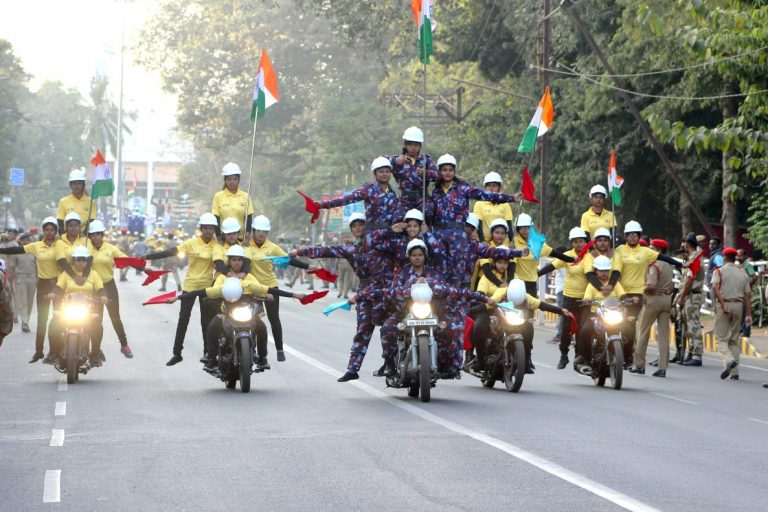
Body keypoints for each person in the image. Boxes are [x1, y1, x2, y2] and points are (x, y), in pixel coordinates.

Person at [167, 246, 304, 371]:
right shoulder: (222, 279)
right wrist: (178, 298)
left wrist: (293, 294)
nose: (237, 263)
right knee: (212, 327)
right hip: (226, 314)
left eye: (239, 260)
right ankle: (211, 359)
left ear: (243, 262)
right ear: (229, 262)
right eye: (234, 260)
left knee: (261, 327)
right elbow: (204, 292)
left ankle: (262, 359)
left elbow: (265, 289)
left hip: (247, 313)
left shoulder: (249, 278)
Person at [379, 239, 495, 378]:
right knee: (386, 329)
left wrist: (483, 298)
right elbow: (392, 292)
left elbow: (452, 291)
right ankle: (389, 364)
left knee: (451, 329)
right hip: (405, 313)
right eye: (414, 254)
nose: (417, 257)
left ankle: (447, 364)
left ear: (424, 256)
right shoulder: (402, 274)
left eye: (420, 254)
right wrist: (410, 285)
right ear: (409, 257)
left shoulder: (433, 274)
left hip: (432, 313)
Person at [291, 213, 385, 382]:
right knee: (362, 331)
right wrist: (300, 251)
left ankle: (390, 363)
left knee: (389, 330)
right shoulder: (348, 248)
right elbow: (324, 250)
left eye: (361, 224)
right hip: (364, 290)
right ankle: (353, 369)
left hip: (384, 289)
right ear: (351, 229)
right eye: (354, 225)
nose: (358, 228)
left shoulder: (378, 244)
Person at [430, 154, 520, 286]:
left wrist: (511, 198)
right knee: (440, 272)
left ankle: (459, 303)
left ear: (454, 171)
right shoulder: (435, 192)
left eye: (450, 170)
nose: (447, 173)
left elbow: (486, 195)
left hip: (458, 238)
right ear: (439, 172)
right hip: (438, 237)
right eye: (444, 170)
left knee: (458, 273)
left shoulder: (463, 189)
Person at [145, 213, 219, 366]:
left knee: (206, 322)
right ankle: (177, 353)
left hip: (207, 287)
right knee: (183, 320)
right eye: (205, 228)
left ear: (214, 229)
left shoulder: (217, 246)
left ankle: (208, 354)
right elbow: (172, 251)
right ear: (201, 229)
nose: (207, 231)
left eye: (210, 228)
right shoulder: (192, 243)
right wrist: (149, 256)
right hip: (190, 285)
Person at [605, 220, 682, 366]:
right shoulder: (619, 250)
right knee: (609, 322)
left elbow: (663, 257)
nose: (633, 237)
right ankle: (610, 349)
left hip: (636, 296)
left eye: (636, 234)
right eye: (630, 235)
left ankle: (628, 357)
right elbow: (611, 265)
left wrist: (681, 264)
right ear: (626, 236)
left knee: (630, 327)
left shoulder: (646, 252)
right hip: (618, 292)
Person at [248, 215, 312, 362]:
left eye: (264, 231)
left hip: (271, 287)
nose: (261, 234)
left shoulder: (272, 247)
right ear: (253, 230)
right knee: (250, 320)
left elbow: (288, 260)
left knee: (273, 318)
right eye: (258, 230)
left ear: (268, 233)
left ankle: (279, 349)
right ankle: (251, 350)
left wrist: (308, 266)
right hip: (252, 287)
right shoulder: (245, 244)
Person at [0, 217, 62, 362]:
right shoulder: (36, 246)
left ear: (56, 231)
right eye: (46, 229)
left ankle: (55, 351)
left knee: (59, 320)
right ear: (43, 231)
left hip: (59, 286)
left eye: (52, 230)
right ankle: (39, 351)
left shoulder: (61, 245)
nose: (49, 232)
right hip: (43, 286)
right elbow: (17, 249)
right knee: (42, 321)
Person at [480, 278, 570, 375]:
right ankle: (482, 358)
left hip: (517, 320)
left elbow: (542, 305)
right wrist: (471, 310)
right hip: (501, 320)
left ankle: (526, 359)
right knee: (488, 328)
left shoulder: (527, 297)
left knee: (529, 328)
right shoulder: (501, 293)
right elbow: (488, 303)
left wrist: (560, 311)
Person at [45, 246, 108, 368]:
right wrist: (53, 293)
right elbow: (58, 287)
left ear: (87, 261)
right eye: (78, 259)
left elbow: (101, 289)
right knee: (54, 324)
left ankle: (95, 354)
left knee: (97, 326)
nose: (80, 262)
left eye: (83, 260)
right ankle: (53, 352)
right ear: (73, 260)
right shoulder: (66, 274)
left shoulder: (93, 274)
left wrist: (103, 297)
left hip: (87, 309)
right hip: (68, 308)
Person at [86, 220, 140, 360]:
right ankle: (95, 350)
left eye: (98, 234)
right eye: (93, 234)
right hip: (92, 288)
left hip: (109, 286)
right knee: (95, 321)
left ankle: (124, 344)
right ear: (90, 235)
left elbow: (126, 259)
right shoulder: (85, 247)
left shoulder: (111, 248)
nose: (96, 237)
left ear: (102, 234)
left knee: (115, 317)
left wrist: (142, 266)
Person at [537, 227, 590, 369]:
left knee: (582, 330)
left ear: (585, 242)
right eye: (576, 242)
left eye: (581, 241)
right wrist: (535, 275)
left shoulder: (590, 256)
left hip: (586, 299)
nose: (579, 244)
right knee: (567, 328)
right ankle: (564, 355)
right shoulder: (567, 256)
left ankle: (580, 357)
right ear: (572, 243)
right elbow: (551, 266)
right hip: (569, 298)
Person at [576, 255, 630, 372]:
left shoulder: (614, 284)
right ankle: (585, 358)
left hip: (613, 314)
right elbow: (587, 296)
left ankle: (628, 357)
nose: (604, 273)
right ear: (595, 271)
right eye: (601, 270)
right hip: (596, 315)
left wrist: (628, 299)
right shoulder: (592, 285)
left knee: (629, 330)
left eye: (606, 270)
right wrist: (586, 300)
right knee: (585, 331)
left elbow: (622, 295)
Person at [631, 239, 675, 377]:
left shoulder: (653, 265)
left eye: (652, 248)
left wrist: (639, 290)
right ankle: (662, 368)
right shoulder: (668, 265)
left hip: (653, 299)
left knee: (643, 332)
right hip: (667, 300)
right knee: (663, 335)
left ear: (659, 251)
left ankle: (639, 365)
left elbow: (651, 285)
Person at [711, 247, 751, 380]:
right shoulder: (743, 273)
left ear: (725, 257)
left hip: (725, 305)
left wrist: (722, 304)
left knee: (721, 338)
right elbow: (747, 296)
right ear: (735, 258)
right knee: (734, 340)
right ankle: (735, 373)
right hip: (739, 306)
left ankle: (729, 361)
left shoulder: (719, 271)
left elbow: (715, 287)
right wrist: (749, 314)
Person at [509, 213, 574, 296]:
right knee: (516, 308)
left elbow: (555, 253)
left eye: (528, 228)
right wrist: (509, 248)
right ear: (518, 229)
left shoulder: (537, 243)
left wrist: (571, 259)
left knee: (531, 308)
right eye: (522, 228)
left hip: (531, 283)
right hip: (517, 283)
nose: (525, 230)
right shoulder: (513, 242)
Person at [389, 126, 439, 220]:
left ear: (420, 146)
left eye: (416, 144)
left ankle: (426, 233)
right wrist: (395, 161)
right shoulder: (399, 159)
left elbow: (437, 176)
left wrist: (426, 173)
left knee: (428, 213)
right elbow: (380, 162)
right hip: (405, 199)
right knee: (397, 219)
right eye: (410, 144)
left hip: (422, 198)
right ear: (405, 145)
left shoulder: (426, 160)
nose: (413, 147)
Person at [676, 234, 705, 366]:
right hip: (691, 294)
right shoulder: (695, 257)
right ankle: (692, 352)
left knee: (694, 324)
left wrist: (681, 298)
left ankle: (697, 355)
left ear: (687, 244)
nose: (683, 246)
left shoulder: (695, 258)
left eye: (684, 243)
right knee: (689, 325)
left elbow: (689, 281)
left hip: (692, 295)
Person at [211, 162, 254, 239]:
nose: (232, 182)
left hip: (241, 239)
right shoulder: (218, 196)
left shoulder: (246, 196)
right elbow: (216, 218)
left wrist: (247, 235)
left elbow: (249, 217)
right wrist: (218, 236)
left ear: (239, 180)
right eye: (229, 179)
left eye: (235, 179)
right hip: (225, 239)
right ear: (225, 180)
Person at [472, 172, 514, 243]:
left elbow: (509, 225)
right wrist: (482, 241)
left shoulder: (505, 204)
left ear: (499, 188)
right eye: (488, 186)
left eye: (494, 186)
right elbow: (478, 224)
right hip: (483, 243)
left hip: (500, 243)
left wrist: (511, 241)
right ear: (485, 188)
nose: (491, 188)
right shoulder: (479, 204)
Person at [56, 169, 97, 234]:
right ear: (70, 185)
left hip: (85, 238)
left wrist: (83, 236)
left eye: (79, 183)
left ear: (83, 185)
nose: (76, 186)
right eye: (74, 184)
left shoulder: (91, 202)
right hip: (67, 238)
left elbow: (91, 221)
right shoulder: (63, 201)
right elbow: (60, 221)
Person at [12, 232, 36, 333]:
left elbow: (38, 267)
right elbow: (13, 266)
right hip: (21, 278)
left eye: (28, 240)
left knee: (30, 302)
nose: (26, 241)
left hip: (32, 278)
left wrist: (38, 280)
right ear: (20, 241)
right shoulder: (17, 252)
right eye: (24, 240)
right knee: (23, 301)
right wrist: (12, 281)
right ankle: (25, 323)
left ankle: (25, 320)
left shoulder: (34, 252)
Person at [736, 249, 758, 337]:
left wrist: (748, 286)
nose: (738, 257)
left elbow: (755, 276)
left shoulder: (747, 265)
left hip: (745, 294)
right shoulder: (738, 266)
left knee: (746, 312)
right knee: (741, 311)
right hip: (739, 293)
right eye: (737, 255)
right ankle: (741, 329)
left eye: (740, 255)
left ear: (745, 256)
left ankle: (746, 331)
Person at [706, 236, 724, 306]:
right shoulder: (715, 255)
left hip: (716, 286)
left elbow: (721, 269)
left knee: (716, 306)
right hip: (714, 285)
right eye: (710, 244)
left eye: (713, 244)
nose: (711, 246)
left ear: (718, 245)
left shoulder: (717, 256)